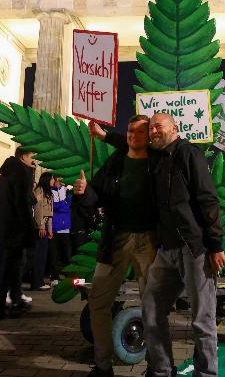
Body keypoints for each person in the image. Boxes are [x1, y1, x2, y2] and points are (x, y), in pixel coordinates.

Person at [135, 113, 224, 377]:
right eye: (150, 128)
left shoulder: (189, 154)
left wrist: (215, 245)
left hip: (194, 249)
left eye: (158, 127)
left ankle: (206, 373)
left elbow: (208, 199)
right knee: (151, 309)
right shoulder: (155, 158)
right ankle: (161, 369)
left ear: (175, 128)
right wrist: (105, 136)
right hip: (166, 250)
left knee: (202, 319)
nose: (153, 132)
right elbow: (130, 143)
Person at [74, 116, 158, 377]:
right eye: (130, 130)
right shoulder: (116, 162)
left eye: (141, 131)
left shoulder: (159, 160)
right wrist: (84, 191)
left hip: (150, 242)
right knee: (98, 303)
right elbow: (96, 194)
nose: (134, 135)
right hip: (115, 240)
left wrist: (105, 136)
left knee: (154, 305)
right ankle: (102, 365)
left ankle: (158, 367)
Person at [0, 147, 37, 320]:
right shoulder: (21, 173)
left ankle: (15, 302)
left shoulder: (7, 172)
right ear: (24, 156)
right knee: (9, 269)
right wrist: (27, 227)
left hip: (4, 227)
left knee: (13, 267)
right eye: (32, 157)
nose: (34, 161)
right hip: (16, 229)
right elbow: (21, 202)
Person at [30, 172, 55, 291]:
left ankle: (40, 280)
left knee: (43, 255)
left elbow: (49, 213)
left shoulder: (49, 192)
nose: (53, 181)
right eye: (52, 179)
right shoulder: (40, 190)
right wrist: (41, 226)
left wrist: (50, 229)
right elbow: (38, 209)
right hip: (39, 227)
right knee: (38, 255)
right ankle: (36, 282)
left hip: (45, 226)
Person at [48, 176, 72, 283]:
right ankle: (54, 276)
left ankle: (69, 276)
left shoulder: (67, 191)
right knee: (54, 254)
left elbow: (69, 206)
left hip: (65, 226)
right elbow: (53, 207)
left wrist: (61, 205)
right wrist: (63, 204)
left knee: (67, 253)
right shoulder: (50, 191)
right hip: (54, 226)